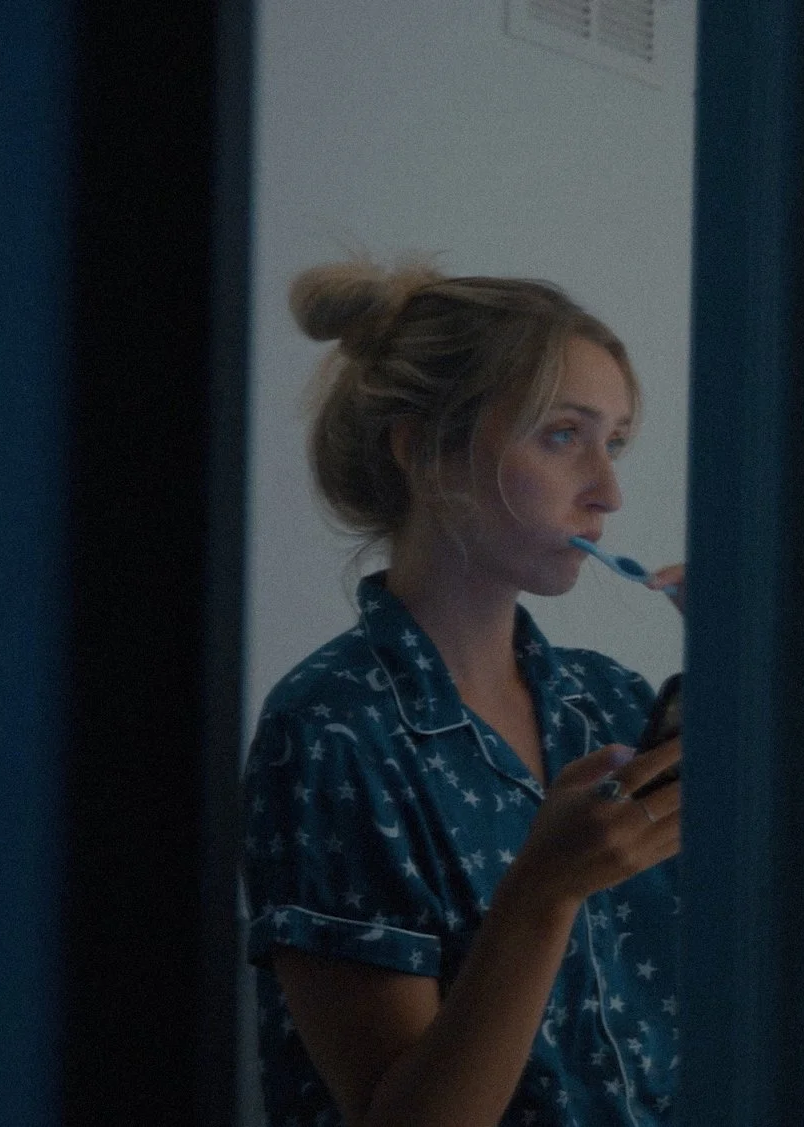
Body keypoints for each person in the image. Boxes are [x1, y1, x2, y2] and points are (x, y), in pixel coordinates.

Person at [244, 258, 689, 1126]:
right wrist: (542, 893)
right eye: (562, 435)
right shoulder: (331, 731)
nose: (608, 492)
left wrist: (763, 663)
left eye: (614, 442)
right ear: (424, 452)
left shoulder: (609, 702)